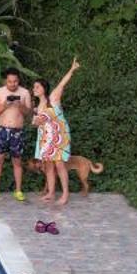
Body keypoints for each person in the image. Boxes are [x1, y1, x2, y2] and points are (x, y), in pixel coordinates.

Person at [32, 57, 80, 206]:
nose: (34, 89)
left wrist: (72, 70)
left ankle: (65, 194)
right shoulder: (37, 107)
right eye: (33, 87)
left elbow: (62, 83)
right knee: (49, 166)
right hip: (46, 138)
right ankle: (51, 193)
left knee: (59, 164)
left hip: (59, 136)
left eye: (37, 87)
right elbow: (37, 124)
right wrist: (35, 121)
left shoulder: (53, 98)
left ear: (44, 89)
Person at [0, 67, 32, 202]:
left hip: (17, 131)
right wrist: (5, 105)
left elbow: (28, 113)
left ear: (19, 80)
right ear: (5, 81)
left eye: (15, 81)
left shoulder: (24, 93)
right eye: (10, 81)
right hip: (2, 130)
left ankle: (18, 190)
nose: (13, 84)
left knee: (17, 162)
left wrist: (20, 106)